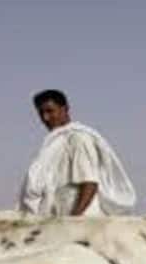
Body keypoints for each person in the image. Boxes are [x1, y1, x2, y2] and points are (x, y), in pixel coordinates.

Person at [18, 89, 137, 217]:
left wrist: (74, 218)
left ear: (65, 109)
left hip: (81, 219)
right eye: (41, 113)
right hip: (61, 215)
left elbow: (89, 182)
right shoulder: (56, 141)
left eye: (50, 111)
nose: (45, 118)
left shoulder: (78, 138)